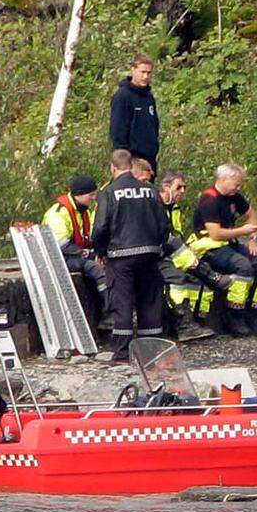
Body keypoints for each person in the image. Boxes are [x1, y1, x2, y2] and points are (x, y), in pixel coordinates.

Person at [92, 150, 170, 363]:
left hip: (120, 254)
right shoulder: (150, 191)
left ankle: (122, 351)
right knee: (149, 300)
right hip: (149, 253)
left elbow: (100, 227)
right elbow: (164, 224)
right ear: (131, 165)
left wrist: (100, 251)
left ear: (112, 167)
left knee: (123, 301)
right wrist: (158, 246)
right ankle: (152, 349)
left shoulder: (109, 193)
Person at [188, 163, 257, 336]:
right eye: (236, 184)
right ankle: (235, 316)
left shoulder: (235, 197)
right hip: (209, 246)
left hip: (230, 244)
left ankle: (254, 313)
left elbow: (254, 217)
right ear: (223, 180)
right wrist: (242, 231)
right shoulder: (209, 199)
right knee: (243, 267)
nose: (239, 187)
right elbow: (215, 233)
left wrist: (252, 239)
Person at [156, 170, 233, 342]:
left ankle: (192, 322)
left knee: (189, 274)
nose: (182, 191)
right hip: (156, 255)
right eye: (179, 187)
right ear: (166, 186)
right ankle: (186, 324)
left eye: (185, 187)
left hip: (169, 253)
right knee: (177, 276)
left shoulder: (173, 208)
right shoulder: (155, 206)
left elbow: (177, 234)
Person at [41, 174, 109, 325]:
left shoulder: (83, 211)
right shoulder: (59, 212)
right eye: (91, 195)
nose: (93, 198)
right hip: (59, 258)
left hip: (75, 254)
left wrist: (97, 251)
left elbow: (89, 236)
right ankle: (109, 311)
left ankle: (106, 312)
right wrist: (86, 253)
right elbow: (59, 243)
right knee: (96, 268)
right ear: (79, 194)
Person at [109, 53, 160, 171]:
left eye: (149, 73)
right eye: (142, 72)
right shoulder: (123, 96)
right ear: (133, 70)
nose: (145, 76)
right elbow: (117, 130)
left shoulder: (149, 97)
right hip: (132, 160)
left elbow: (154, 127)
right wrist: (125, 161)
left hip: (149, 159)